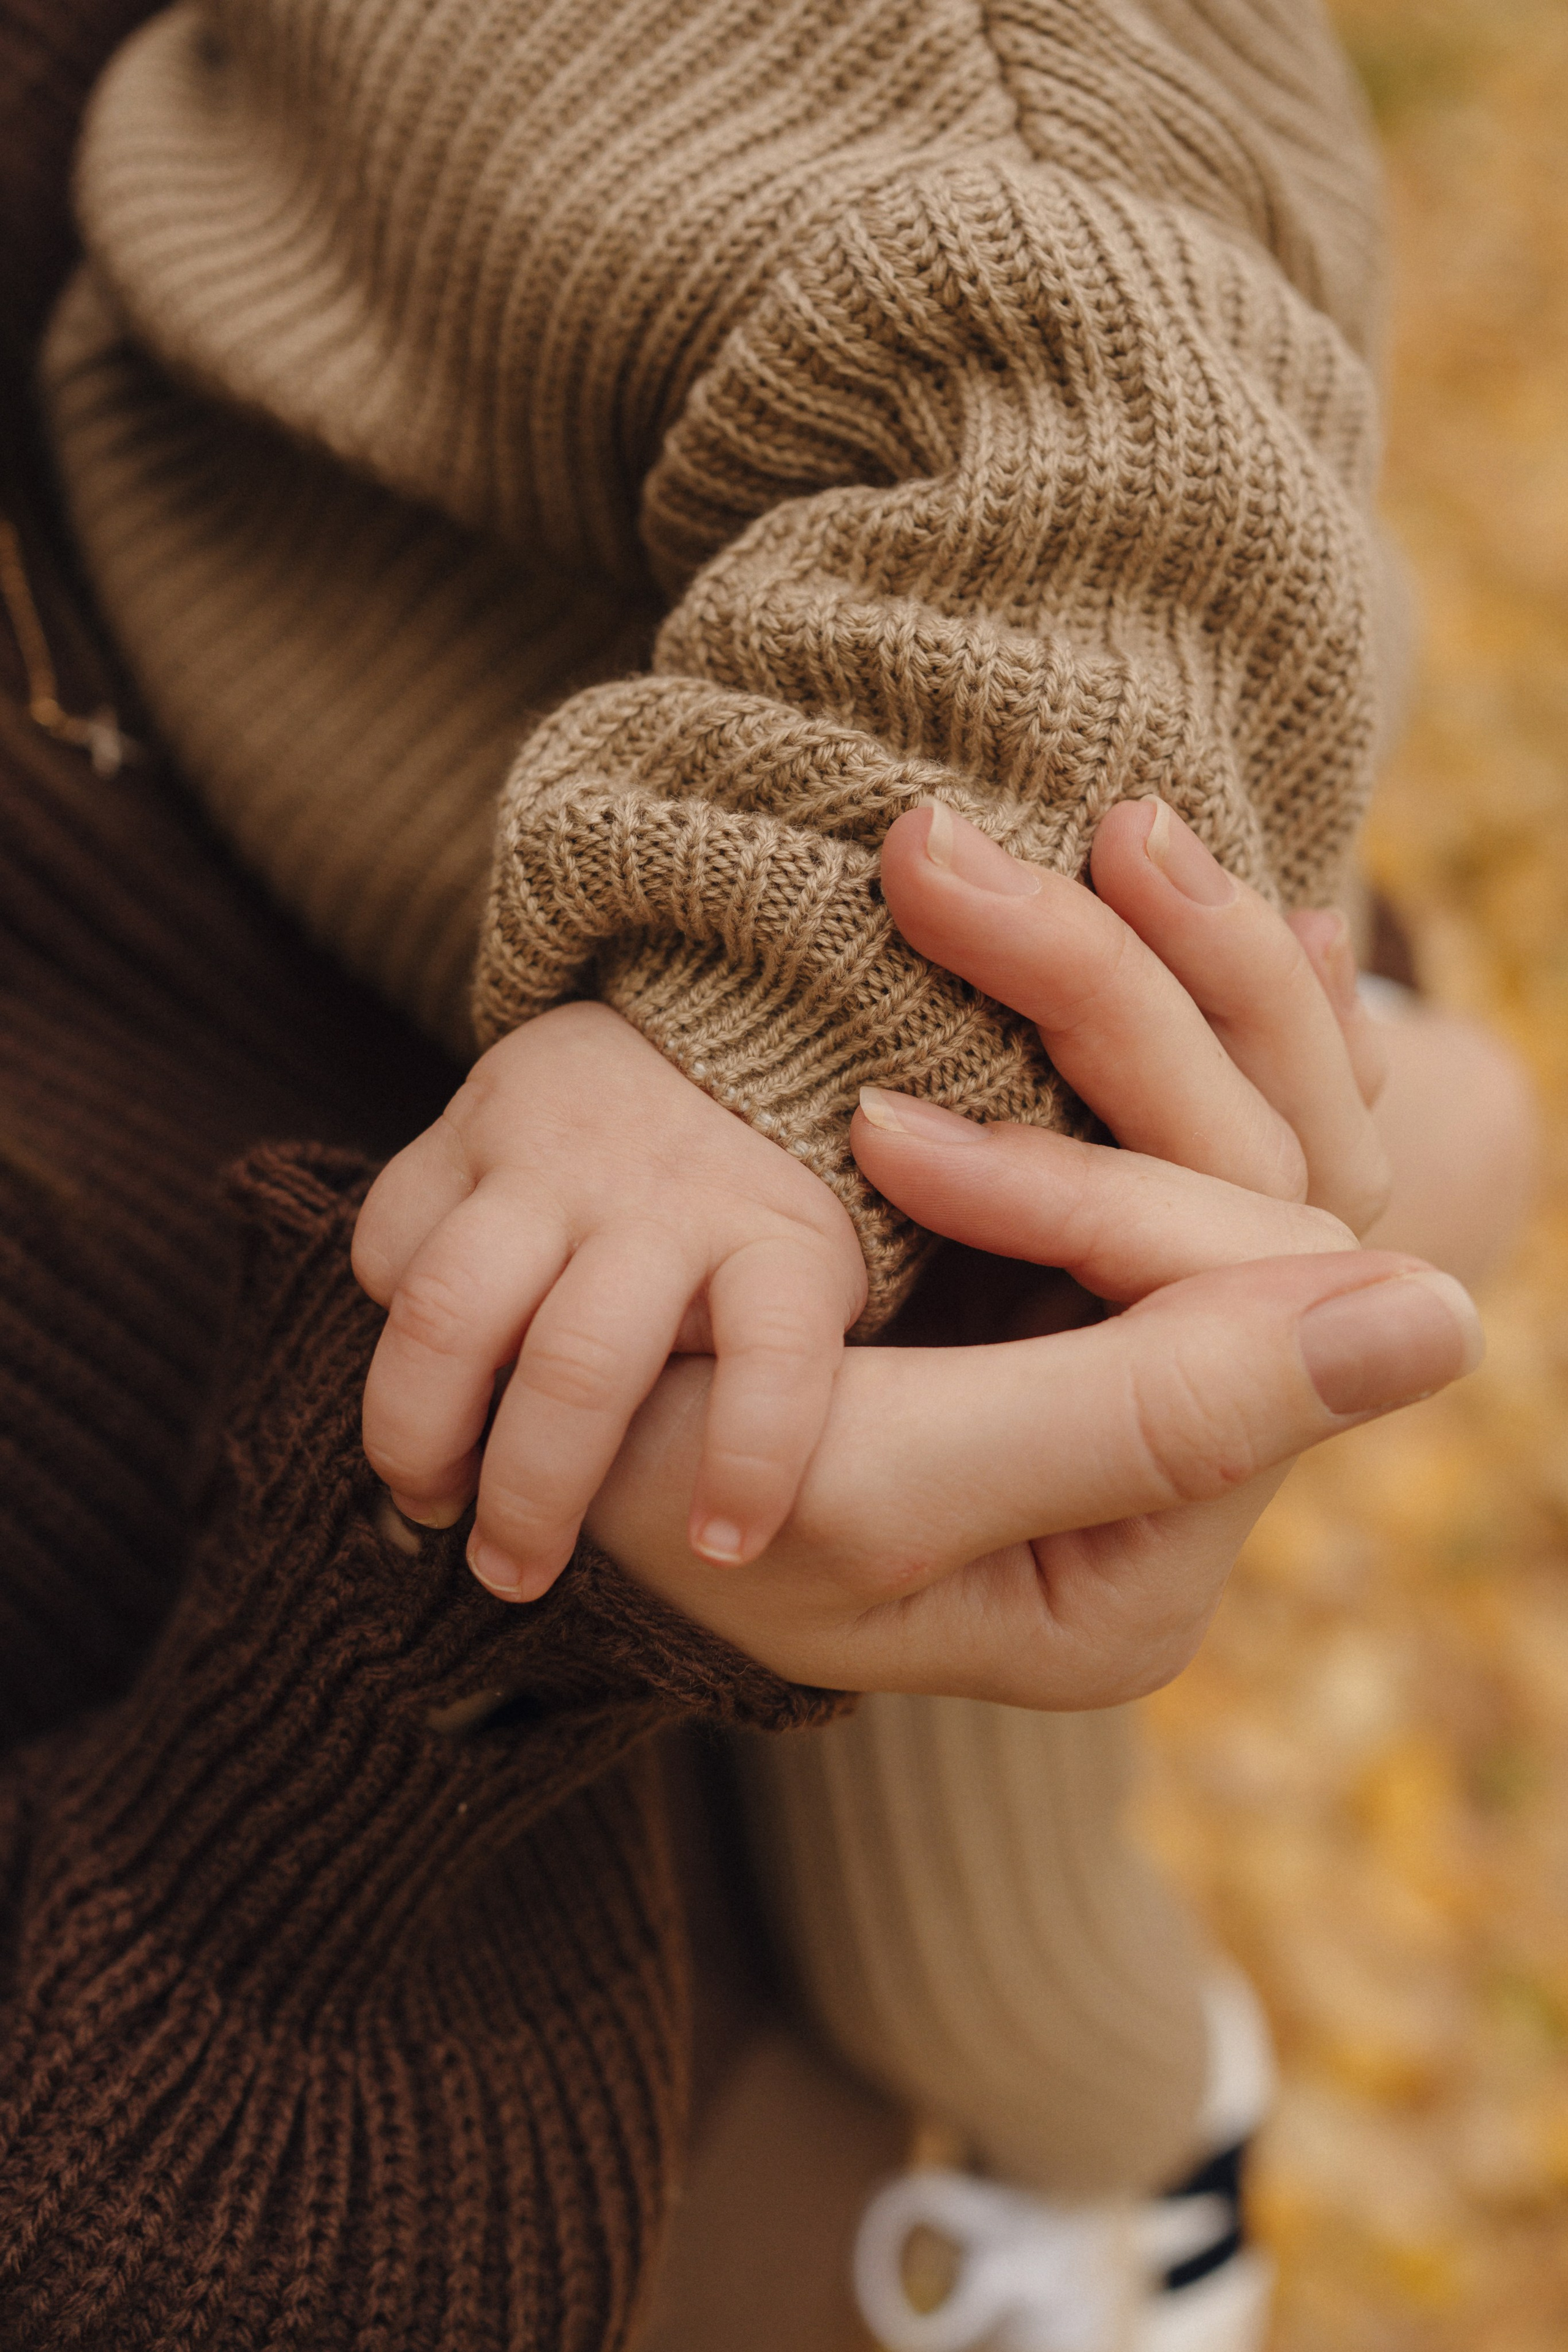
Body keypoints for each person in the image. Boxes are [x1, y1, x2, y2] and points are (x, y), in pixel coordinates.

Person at [2, 0, 1531, 2343]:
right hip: (439, 2002)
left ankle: (1116, 2148)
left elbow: (1110, 441)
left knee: (984, 1898)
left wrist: (780, 1051)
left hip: (777, 1035)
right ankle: (1108, 2147)